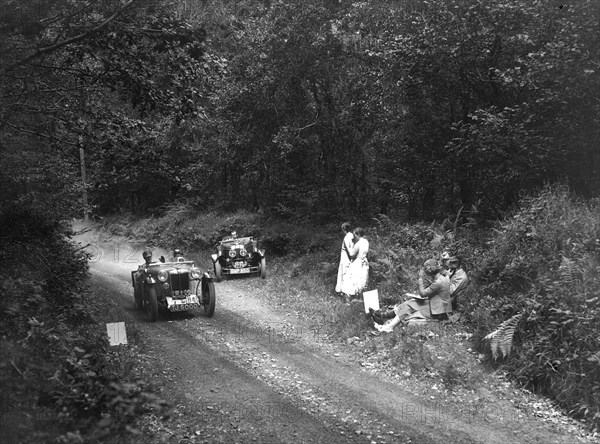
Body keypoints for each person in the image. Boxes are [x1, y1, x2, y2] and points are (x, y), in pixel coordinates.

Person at [370, 259, 451, 332]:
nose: (425, 272)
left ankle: (389, 326)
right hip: (438, 306)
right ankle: (384, 316)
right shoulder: (442, 278)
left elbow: (423, 294)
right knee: (410, 302)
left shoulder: (438, 282)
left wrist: (420, 279)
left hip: (437, 310)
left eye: (426, 270)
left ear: (430, 271)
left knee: (409, 305)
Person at [340, 227, 369, 302]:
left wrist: (349, 247)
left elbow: (351, 254)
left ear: (358, 234)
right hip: (365, 262)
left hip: (359, 262)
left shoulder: (358, 243)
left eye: (355, 235)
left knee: (350, 279)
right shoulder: (366, 242)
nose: (354, 237)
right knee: (361, 280)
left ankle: (348, 300)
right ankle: (359, 298)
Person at [335, 222, 355, 295]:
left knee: (345, 275)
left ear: (343, 229)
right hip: (348, 259)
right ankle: (346, 293)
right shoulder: (352, 235)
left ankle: (346, 294)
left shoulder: (347, 237)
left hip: (346, 259)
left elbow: (349, 250)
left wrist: (351, 257)